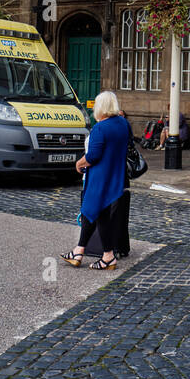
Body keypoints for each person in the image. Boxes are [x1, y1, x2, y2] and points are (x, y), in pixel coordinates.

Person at [61, 90, 130, 270]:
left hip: (100, 177)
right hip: (116, 175)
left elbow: (93, 156)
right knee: (94, 213)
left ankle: (107, 256)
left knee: (95, 212)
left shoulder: (101, 127)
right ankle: (79, 250)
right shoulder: (123, 124)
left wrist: (79, 163)